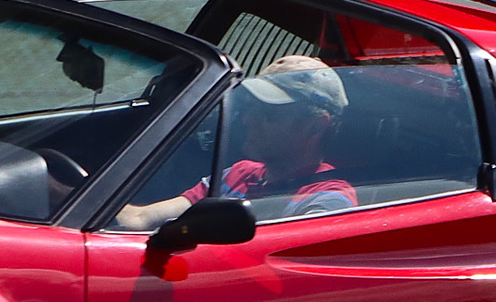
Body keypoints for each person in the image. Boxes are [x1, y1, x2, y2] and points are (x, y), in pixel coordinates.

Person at [116, 54, 355, 230]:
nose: (249, 119)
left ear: (315, 126)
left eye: (269, 112)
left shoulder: (328, 198)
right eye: (251, 106)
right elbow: (141, 218)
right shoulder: (238, 174)